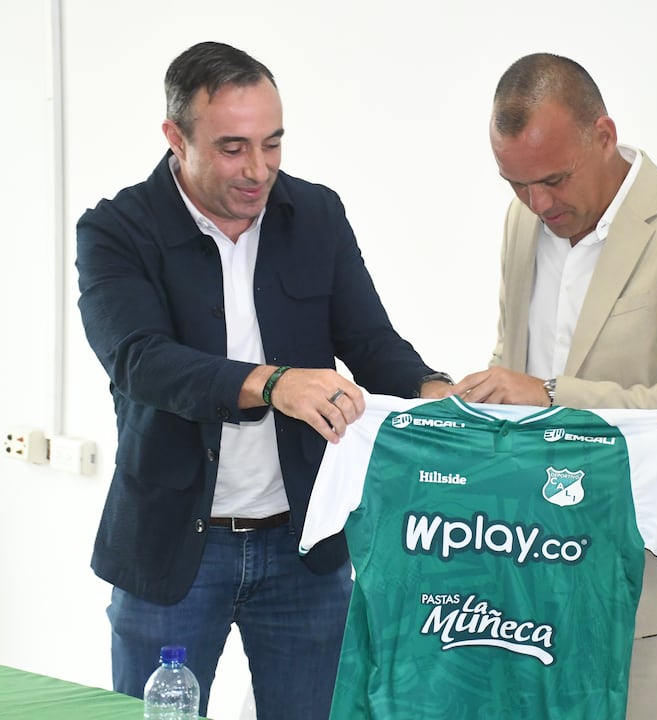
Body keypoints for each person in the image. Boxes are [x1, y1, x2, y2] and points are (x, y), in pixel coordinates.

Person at [75, 41, 452, 718]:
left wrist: (438, 394)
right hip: (171, 555)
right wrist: (274, 384)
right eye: (233, 148)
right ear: (175, 137)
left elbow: (371, 344)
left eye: (273, 143)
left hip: (303, 549)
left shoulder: (316, 215)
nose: (259, 170)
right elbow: (140, 359)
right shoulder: (116, 230)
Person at [451, 53, 657, 718]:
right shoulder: (524, 221)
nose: (538, 203)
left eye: (554, 180)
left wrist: (551, 393)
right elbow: (515, 361)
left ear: (605, 135)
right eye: (516, 185)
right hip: (540, 570)